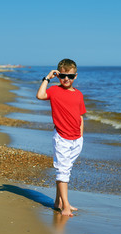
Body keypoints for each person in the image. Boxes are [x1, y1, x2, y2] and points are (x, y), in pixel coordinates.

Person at [36, 59, 86, 216]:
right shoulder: (54, 91)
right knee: (62, 171)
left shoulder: (78, 94)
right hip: (62, 138)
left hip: (77, 139)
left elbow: (80, 116)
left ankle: (58, 201)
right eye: (63, 75)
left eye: (70, 76)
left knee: (67, 169)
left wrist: (81, 135)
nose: (66, 79)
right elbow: (40, 95)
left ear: (75, 77)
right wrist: (47, 78)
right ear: (58, 75)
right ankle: (65, 205)